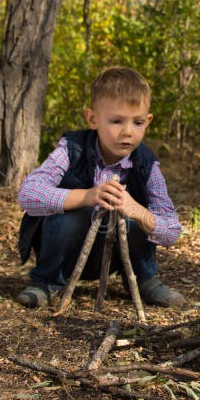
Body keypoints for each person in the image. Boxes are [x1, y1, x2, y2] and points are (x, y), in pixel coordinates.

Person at [15, 66, 185, 309]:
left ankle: (144, 280)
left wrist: (135, 209)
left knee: (134, 219)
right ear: (92, 118)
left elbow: (172, 231)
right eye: (116, 121)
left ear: (148, 121)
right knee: (73, 214)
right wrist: (86, 196)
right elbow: (28, 194)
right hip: (67, 253)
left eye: (137, 122)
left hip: (116, 254)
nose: (127, 132)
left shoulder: (147, 164)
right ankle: (46, 282)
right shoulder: (71, 148)